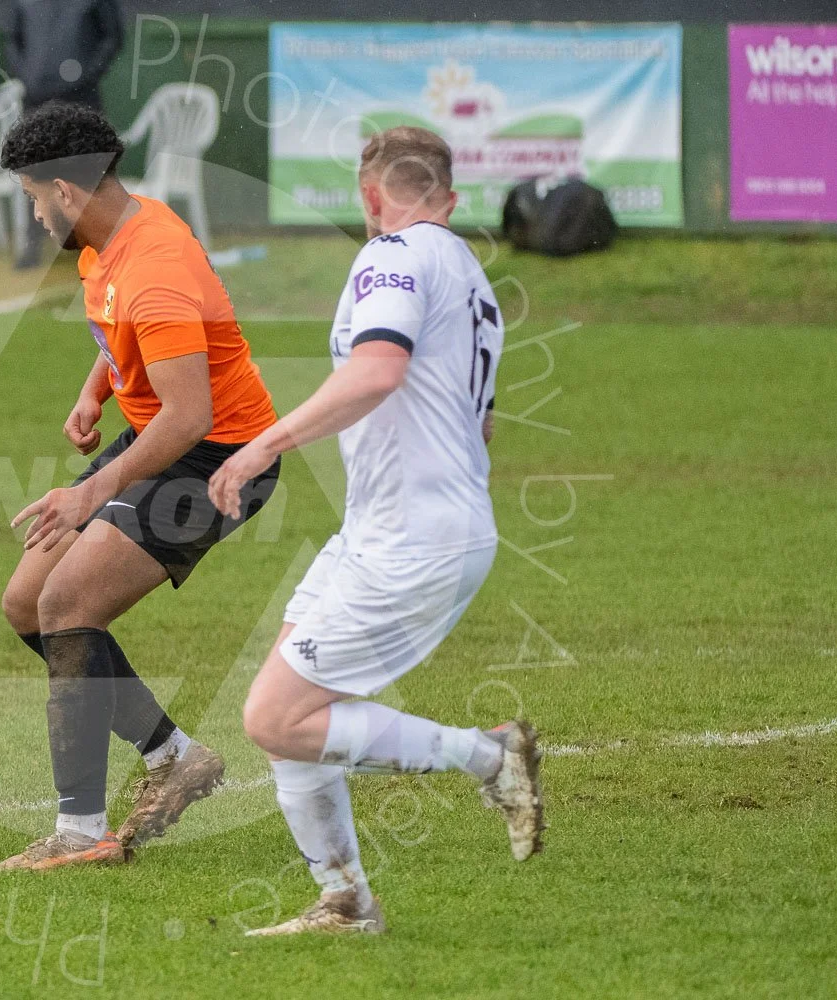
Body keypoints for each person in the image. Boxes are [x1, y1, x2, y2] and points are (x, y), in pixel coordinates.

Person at [205, 126, 543, 936]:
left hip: (412, 538)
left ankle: (489, 756)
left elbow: (378, 368)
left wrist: (262, 445)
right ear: (451, 199)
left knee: (273, 717)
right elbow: (479, 423)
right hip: (390, 527)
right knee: (294, 717)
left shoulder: (391, 254)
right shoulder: (471, 278)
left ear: (370, 195)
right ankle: (345, 899)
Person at [0, 103, 280, 871]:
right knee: (28, 603)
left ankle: (80, 834)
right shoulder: (109, 233)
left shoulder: (153, 263)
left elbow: (191, 416)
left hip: (219, 459)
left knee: (66, 604)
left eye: (30, 194)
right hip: (163, 439)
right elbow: (123, 330)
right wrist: (98, 387)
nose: (31, 210)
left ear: (65, 187)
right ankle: (174, 755)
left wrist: (90, 494)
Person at [6, 0, 123, 268]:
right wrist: (27, 76)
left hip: (82, 100)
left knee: (89, 175)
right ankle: (32, 246)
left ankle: (97, 248)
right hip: (36, 101)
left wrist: (83, 76)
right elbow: (12, 41)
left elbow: (112, 38)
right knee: (35, 173)